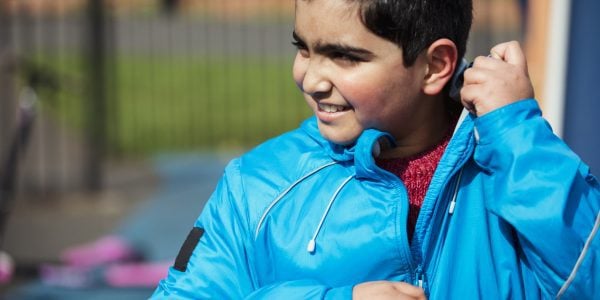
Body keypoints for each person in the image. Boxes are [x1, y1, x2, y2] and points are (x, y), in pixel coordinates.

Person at [151, 0, 599, 299]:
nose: (311, 79)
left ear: (435, 65)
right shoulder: (257, 186)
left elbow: (587, 275)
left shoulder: (513, 164)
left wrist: (517, 133)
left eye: (345, 57)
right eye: (303, 48)